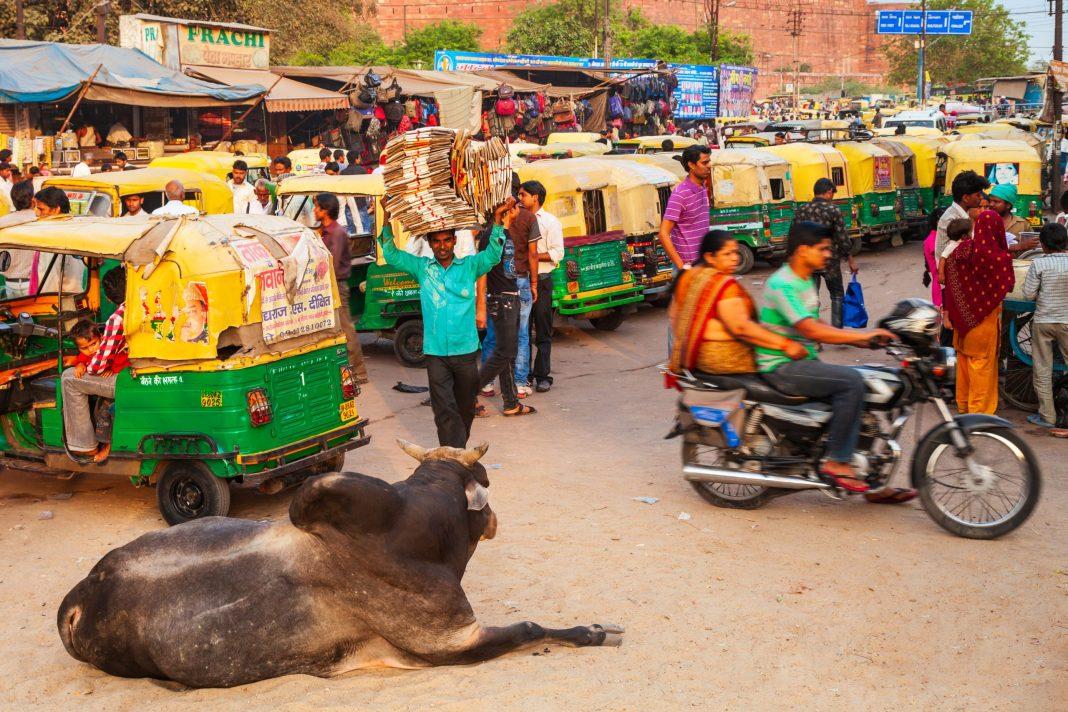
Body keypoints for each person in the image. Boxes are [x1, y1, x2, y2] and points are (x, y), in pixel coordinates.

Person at [757, 221, 897, 495]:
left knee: (868, 386)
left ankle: (869, 479)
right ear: (801, 250)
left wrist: (866, 340)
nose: (828, 255)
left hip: (803, 359)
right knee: (852, 382)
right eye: (822, 249)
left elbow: (815, 323)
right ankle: (837, 461)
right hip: (780, 365)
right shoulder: (782, 283)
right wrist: (861, 337)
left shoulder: (804, 278)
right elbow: (809, 329)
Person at [378, 201, 513, 448]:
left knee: (465, 407)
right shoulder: (422, 268)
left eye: (447, 240)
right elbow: (392, 255)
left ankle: (457, 451)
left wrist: (496, 222)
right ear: (430, 244)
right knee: (443, 408)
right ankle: (450, 455)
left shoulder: (470, 267)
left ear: (453, 241)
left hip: (465, 350)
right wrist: (386, 218)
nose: (442, 246)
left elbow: (493, 254)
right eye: (437, 242)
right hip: (435, 352)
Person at [670, 229, 808, 374]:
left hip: (692, 355)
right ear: (710, 257)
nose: (735, 258)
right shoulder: (721, 283)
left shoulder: (689, 275)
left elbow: (674, 318)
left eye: (735, 252)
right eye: (727, 254)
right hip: (725, 358)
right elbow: (741, 328)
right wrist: (786, 344)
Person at [942, 210, 1014, 415]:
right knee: (981, 364)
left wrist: (949, 312)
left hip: (961, 320)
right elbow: (1008, 285)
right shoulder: (999, 258)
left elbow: (949, 284)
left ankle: (964, 405)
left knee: (964, 361)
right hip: (984, 321)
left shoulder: (959, 252)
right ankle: (979, 411)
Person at [474, 204, 537, 417]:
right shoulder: (490, 234)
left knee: (507, 353)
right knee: (504, 352)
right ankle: (468, 394)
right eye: (513, 205)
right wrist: (481, 304)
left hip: (511, 296)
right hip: (501, 299)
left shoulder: (506, 232)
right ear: (504, 210)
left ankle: (510, 403)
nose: (518, 207)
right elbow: (482, 269)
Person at [61, 308, 129, 462]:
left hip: (123, 379)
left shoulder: (111, 341)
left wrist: (111, 368)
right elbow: (85, 359)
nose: (90, 350)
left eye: (93, 344)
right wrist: (79, 364)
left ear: (101, 337)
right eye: (84, 348)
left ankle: (92, 445)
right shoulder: (91, 353)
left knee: (68, 378)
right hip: (119, 379)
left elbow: (118, 361)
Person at [314, 193, 367, 383]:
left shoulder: (336, 233)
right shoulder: (324, 230)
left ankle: (358, 372)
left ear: (325, 210)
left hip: (336, 284)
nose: (314, 210)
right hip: (327, 286)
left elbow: (333, 264)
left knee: (346, 328)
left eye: (317, 207)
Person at [1021, 222, 1068, 428]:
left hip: (1044, 321)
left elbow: (1029, 294)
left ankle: (1047, 417)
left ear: (1043, 245)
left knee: (1042, 369)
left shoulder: (1038, 264)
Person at [793, 178, 857, 328]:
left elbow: (793, 235)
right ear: (829, 192)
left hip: (807, 261)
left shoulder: (801, 210)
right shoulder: (833, 210)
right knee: (836, 295)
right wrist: (851, 259)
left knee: (810, 298)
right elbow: (842, 237)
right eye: (832, 193)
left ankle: (813, 335)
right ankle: (836, 331)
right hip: (829, 261)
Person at [520, 179, 563, 393]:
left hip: (543, 280)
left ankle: (542, 376)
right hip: (522, 280)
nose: (520, 199)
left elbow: (557, 253)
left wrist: (534, 257)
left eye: (523, 195)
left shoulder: (550, 221)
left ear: (534, 197)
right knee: (523, 331)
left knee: (543, 329)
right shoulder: (517, 219)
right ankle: (524, 375)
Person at [659, 145, 712, 270]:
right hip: (689, 269)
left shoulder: (703, 187)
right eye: (705, 162)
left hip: (703, 265)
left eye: (709, 161)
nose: (709, 165)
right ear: (691, 165)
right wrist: (682, 267)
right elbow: (663, 233)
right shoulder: (680, 193)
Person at [936, 170, 989, 260]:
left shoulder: (967, 214)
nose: (981, 197)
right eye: (978, 195)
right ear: (965, 198)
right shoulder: (951, 219)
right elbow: (944, 256)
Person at [0, 181, 37, 297]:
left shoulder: (3, 222)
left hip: (10, 283)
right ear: (33, 200)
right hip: (33, 283)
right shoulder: (38, 221)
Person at [986, 183, 1038, 254]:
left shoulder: (1022, 224)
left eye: (996, 201)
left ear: (1008, 205)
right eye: (990, 201)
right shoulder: (983, 222)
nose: (991, 204)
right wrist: (1019, 246)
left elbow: (1033, 247)